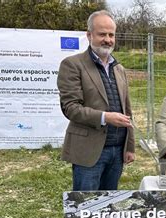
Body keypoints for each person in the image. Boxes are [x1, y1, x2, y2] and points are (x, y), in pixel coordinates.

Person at [57, 10, 135, 191]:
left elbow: (127, 111)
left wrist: (129, 146)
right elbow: (70, 108)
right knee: (86, 205)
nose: (107, 39)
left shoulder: (119, 69)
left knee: (108, 206)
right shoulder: (72, 65)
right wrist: (105, 117)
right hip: (89, 151)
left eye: (111, 34)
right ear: (89, 35)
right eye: (102, 34)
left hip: (117, 151)